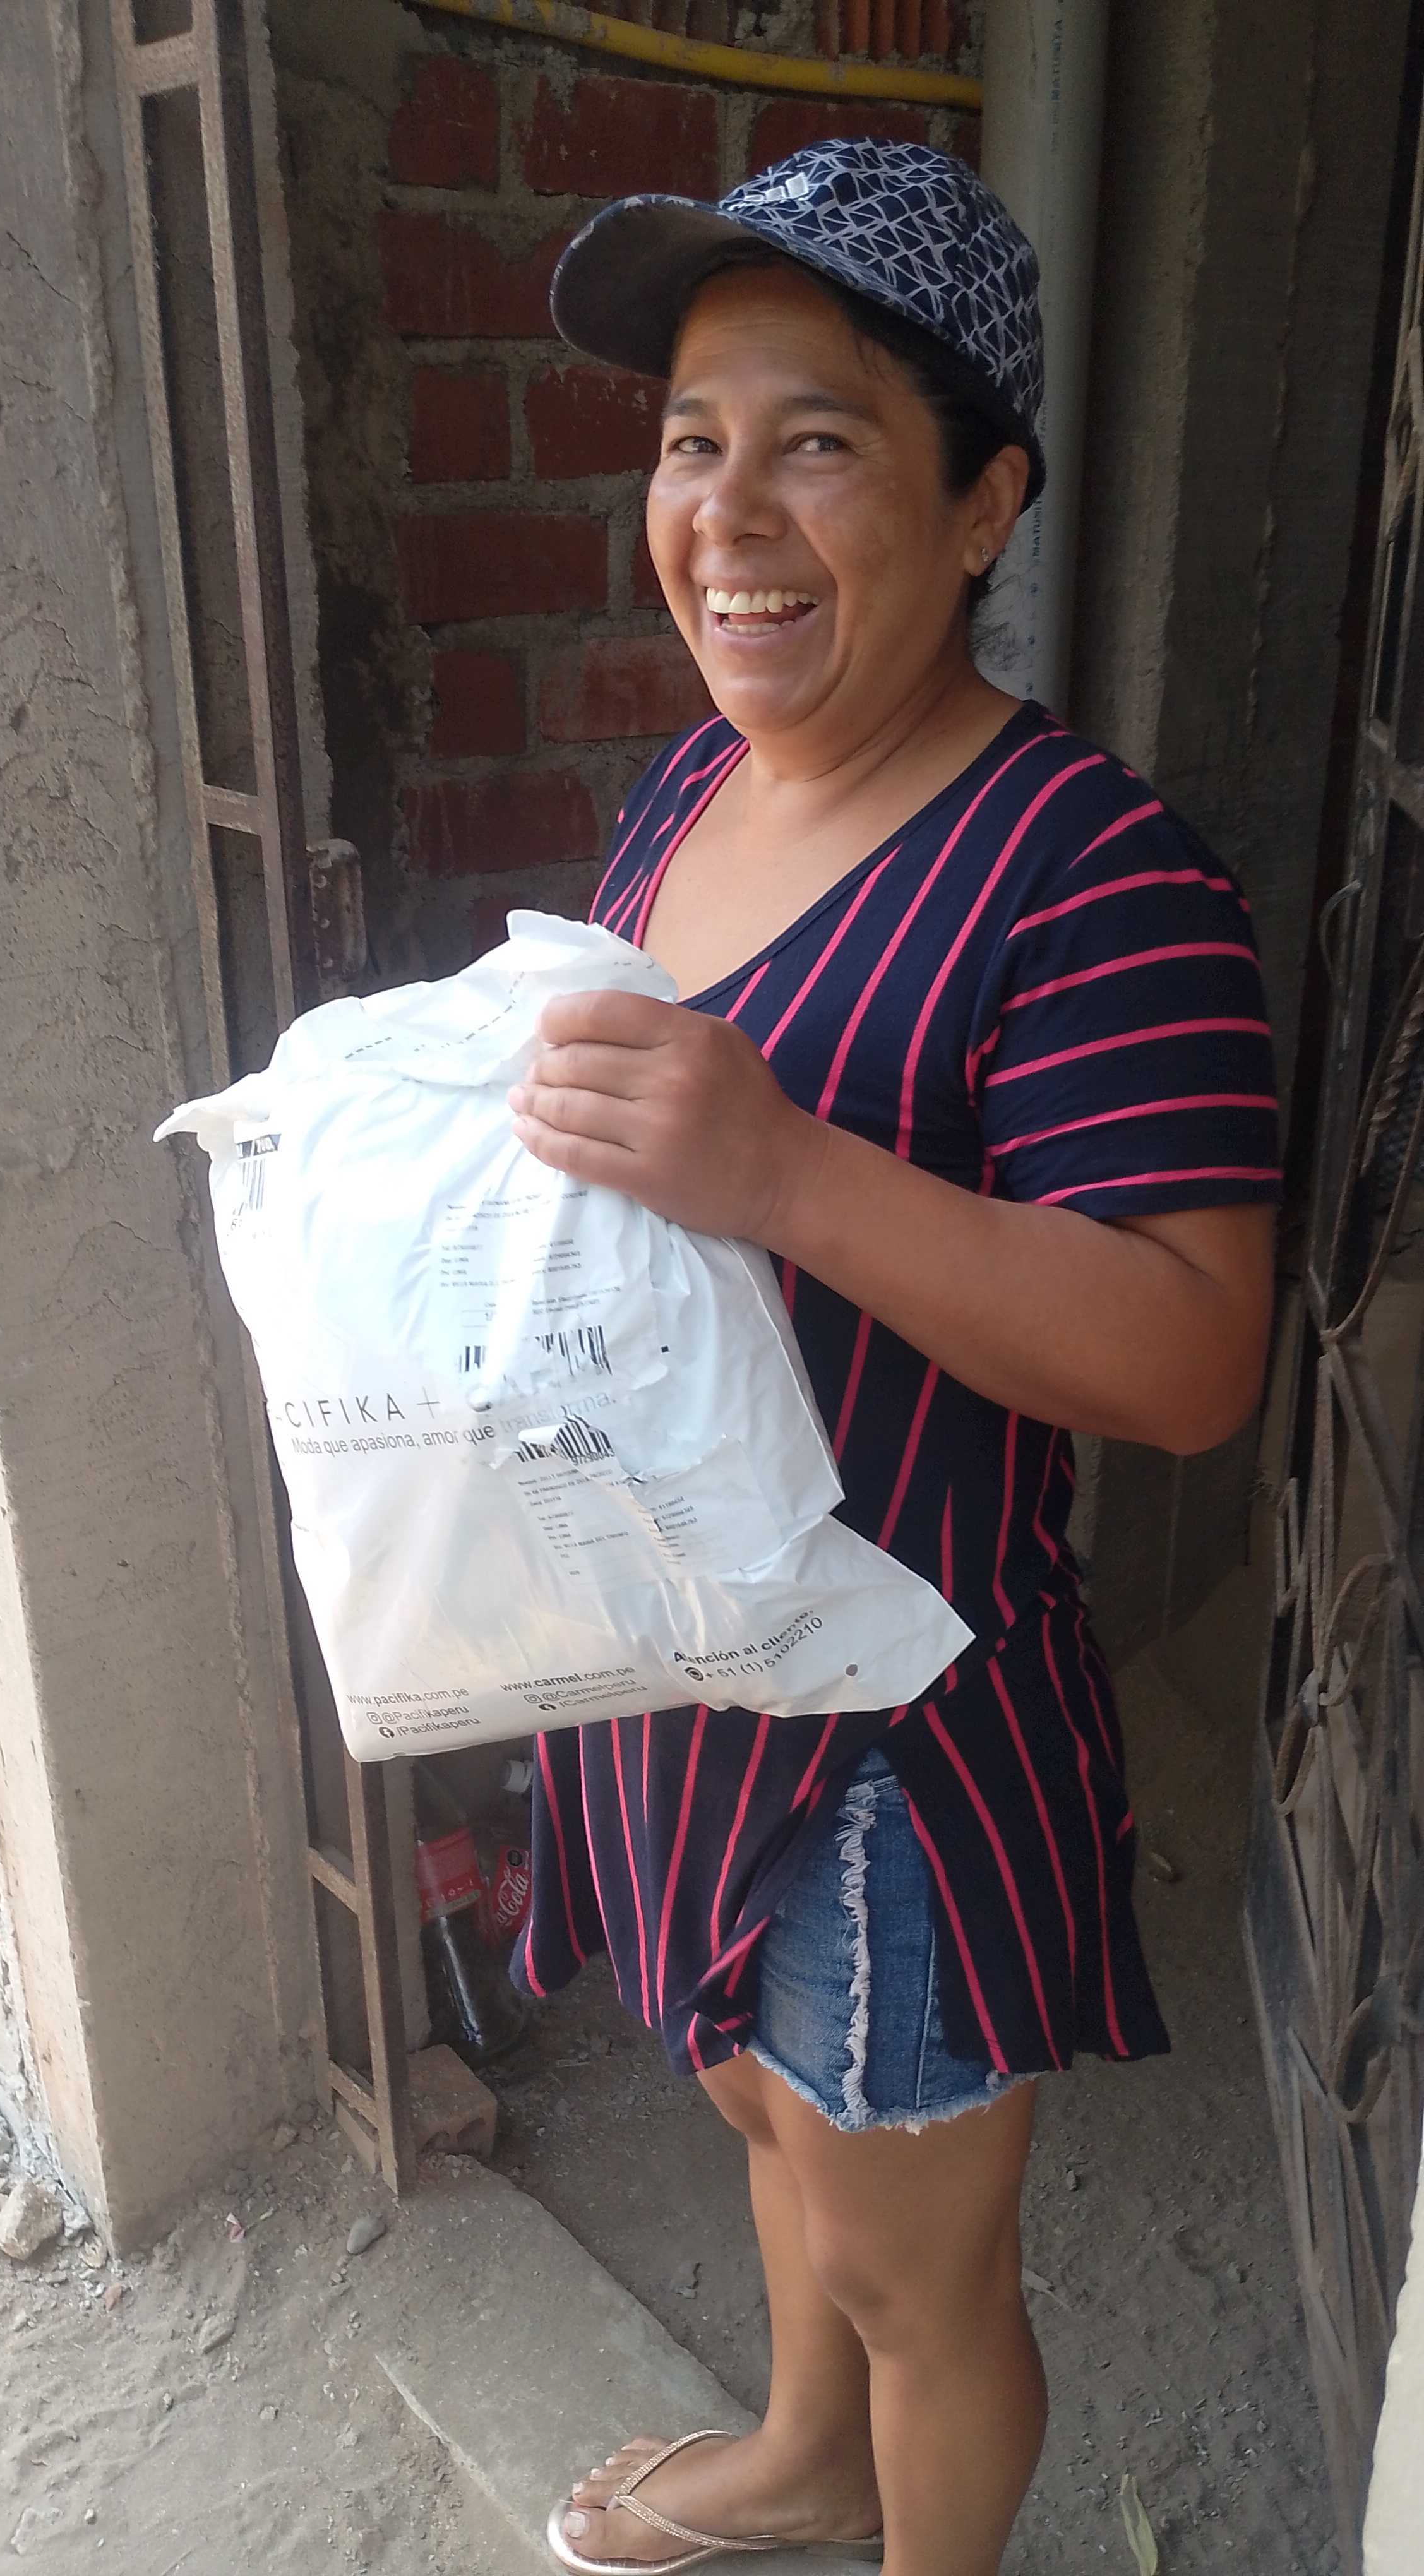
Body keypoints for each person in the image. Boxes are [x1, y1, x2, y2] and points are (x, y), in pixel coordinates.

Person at [505, 141, 1279, 2576]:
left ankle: (905, 2498)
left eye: (818, 440)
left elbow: (1192, 1352)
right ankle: (804, 2457)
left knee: (914, 2266)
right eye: (690, 439)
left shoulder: (1092, 873)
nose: (726, 513)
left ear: (982, 506)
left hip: (900, 1733)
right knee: (759, 2110)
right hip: (681, 1663)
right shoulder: (692, 788)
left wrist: (786, 1170)